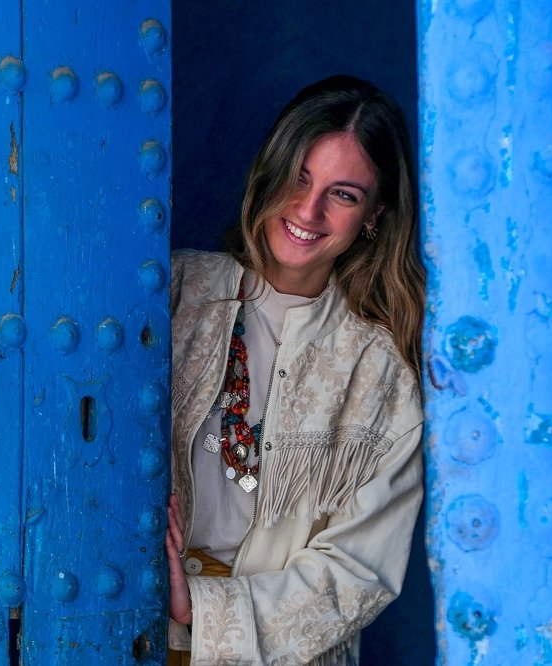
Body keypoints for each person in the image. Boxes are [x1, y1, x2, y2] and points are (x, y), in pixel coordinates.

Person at [165, 75, 425, 665]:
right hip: (131, 635)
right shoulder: (175, 292)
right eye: (300, 177)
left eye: (343, 194)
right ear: (271, 170)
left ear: (375, 215)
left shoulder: (380, 372)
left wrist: (201, 610)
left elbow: (359, 569)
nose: (307, 210)